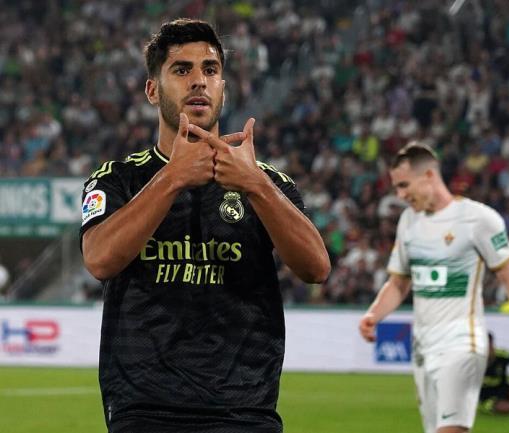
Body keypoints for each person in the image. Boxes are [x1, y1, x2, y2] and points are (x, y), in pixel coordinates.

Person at [79, 19, 330, 433]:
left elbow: (316, 268)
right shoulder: (117, 179)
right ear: (152, 90)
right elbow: (100, 260)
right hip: (144, 411)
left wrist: (255, 185)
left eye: (210, 70)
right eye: (182, 69)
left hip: (245, 411)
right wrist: (173, 177)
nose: (199, 80)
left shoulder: (268, 183)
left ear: (223, 89)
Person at [358, 142, 509, 433]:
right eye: (396, 187)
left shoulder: (478, 219)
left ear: (429, 175)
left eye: (404, 185)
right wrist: (374, 315)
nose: (400, 195)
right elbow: (399, 283)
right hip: (423, 346)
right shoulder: (408, 221)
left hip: (461, 342)